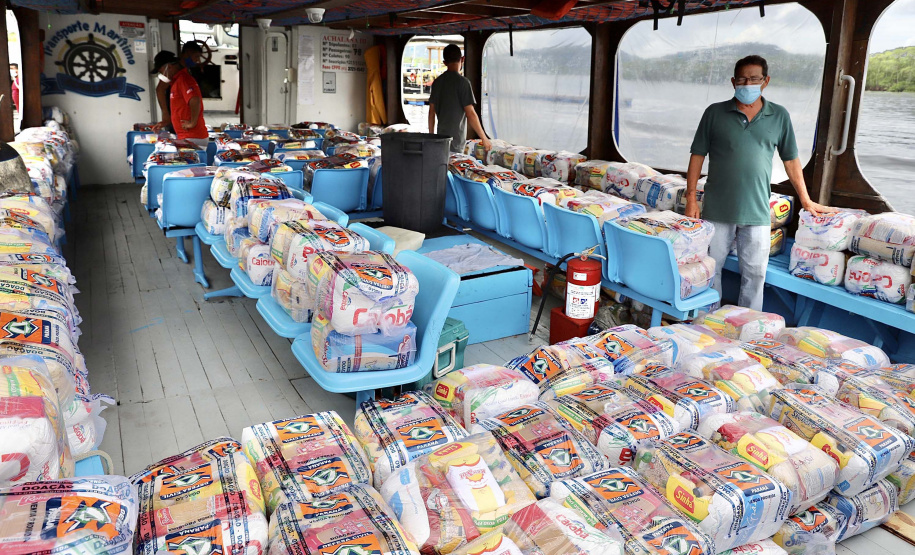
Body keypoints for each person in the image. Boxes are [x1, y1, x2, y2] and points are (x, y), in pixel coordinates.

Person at [684, 54, 835, 311]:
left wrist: (806, 200)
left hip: (757, 209)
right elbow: (697, 155)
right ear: (733, 81)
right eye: (742, 79)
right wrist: (690, 199)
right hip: (717, 208)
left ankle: (748, 324)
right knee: (711, 268)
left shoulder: (779, 116)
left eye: (754, 78)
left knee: (755, 274)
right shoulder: (714, 113)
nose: (747, 84)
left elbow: (791, 161)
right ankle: (708, 320)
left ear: (765, 81)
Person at [428, 44, 491, 153]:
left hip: (440, 140)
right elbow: (470, 113)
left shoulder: (437, 83)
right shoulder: (463, 83)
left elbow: (431, 112)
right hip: (456, 141)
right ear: (462, 59)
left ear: (444, 63)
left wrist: (431, 137)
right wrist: (484, 138)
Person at [168, 42, 209, 149]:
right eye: (196, 57)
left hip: (192, 136)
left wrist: (192, 123)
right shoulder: (178, 79)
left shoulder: (184, 78)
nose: (197, 60)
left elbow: (194, 100)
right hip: (187, 136)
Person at [150, 50, 178, 133]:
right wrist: (165, 114)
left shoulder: (181, 75)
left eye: (160, 71)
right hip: (173, 116)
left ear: (168, 66)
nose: (161, 73)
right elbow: (160, 89)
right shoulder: (170, 76)